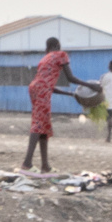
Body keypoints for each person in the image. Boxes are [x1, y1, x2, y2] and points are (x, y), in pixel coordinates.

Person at [23, 36, 73, 173]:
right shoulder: (61, 55)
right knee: (39, 124)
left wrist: (70, 94)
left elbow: (47, 85)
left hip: (35, 88)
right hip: (41, 91)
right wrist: (92, 86)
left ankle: (45, 165)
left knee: (44, 126)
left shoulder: (44, 58)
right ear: (58, 45)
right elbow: (71, 78)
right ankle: (27, 163)